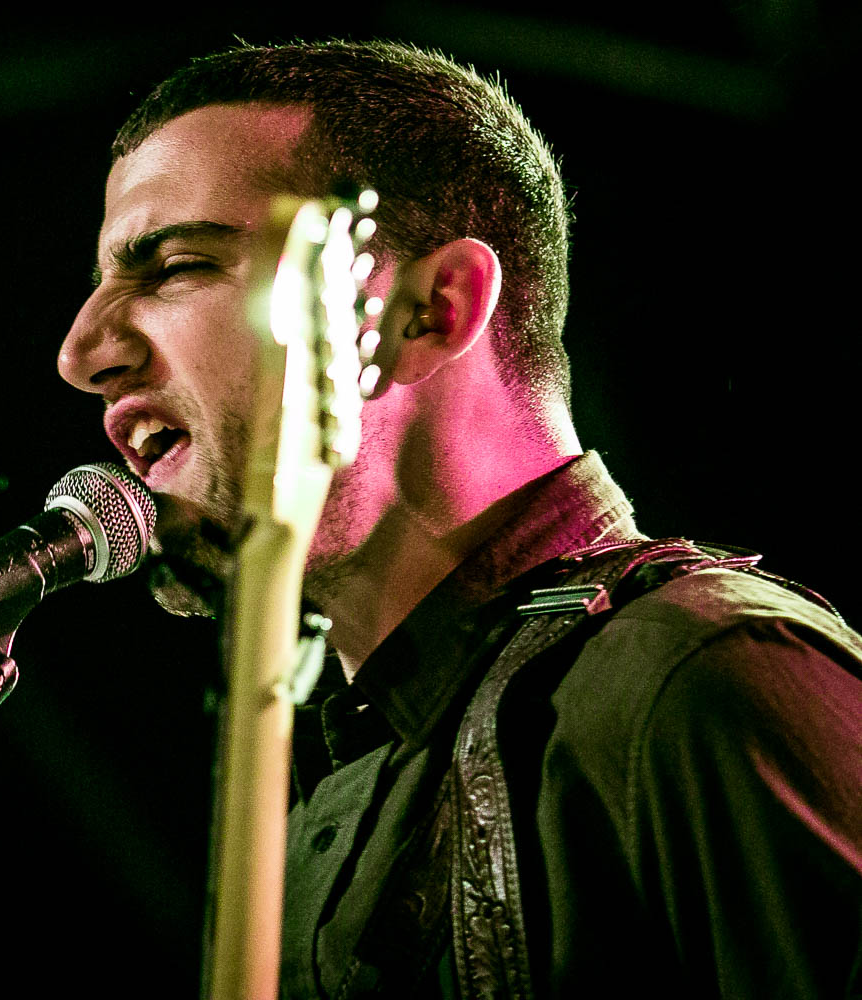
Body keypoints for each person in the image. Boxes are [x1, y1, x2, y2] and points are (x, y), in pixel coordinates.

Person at [54, 41, 862, 999]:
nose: (83, 350)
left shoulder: (696, 679)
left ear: (432, 311)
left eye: (178, 265)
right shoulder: (338, 781)